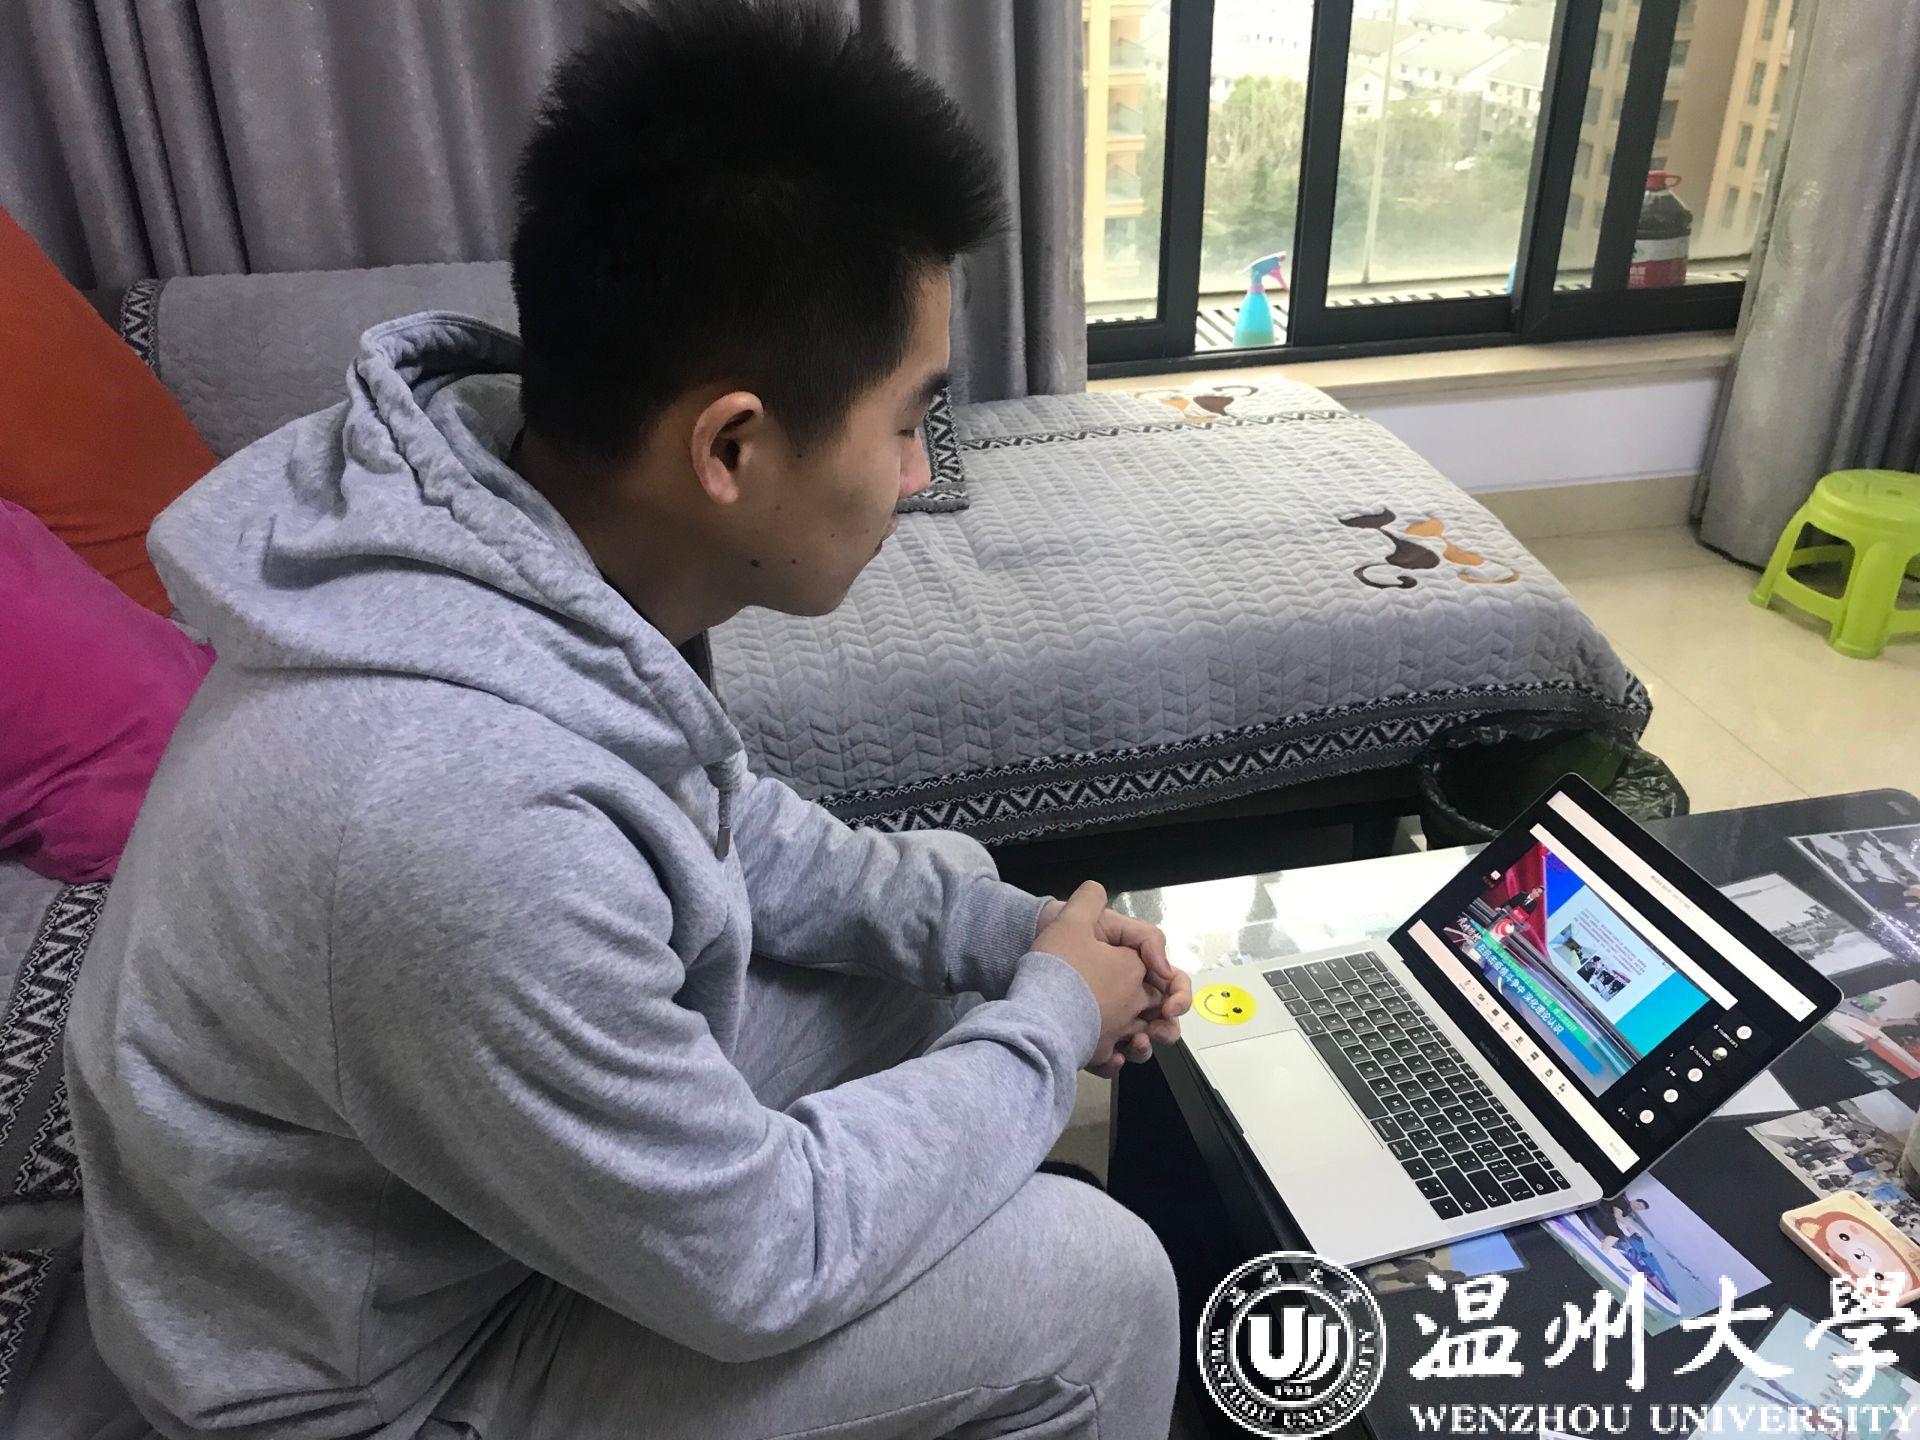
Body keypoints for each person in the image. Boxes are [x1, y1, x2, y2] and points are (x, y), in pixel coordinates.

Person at [64, 4, 1189, 1437]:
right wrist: (1051, 1023)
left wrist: (1016, 942)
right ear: (730, 445)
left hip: (449, 1202)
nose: (917, 476)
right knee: (1099, 1286)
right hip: (379, 1378)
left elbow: (723, 825)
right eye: (910, 419)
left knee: (951, 921)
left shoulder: (508, 523)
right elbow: (762, 1262)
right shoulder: (461, 820)